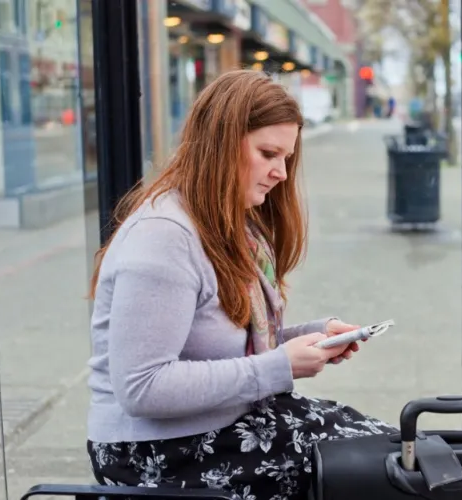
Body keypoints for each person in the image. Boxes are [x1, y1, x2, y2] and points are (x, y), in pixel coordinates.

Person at [85, 70, 396, 500]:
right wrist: (279, 366)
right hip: (157, 452)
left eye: (286, 157)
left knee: (392, 453)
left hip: (223, 425)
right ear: (219, 144)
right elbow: (142, 387)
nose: (282, 173)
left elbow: (225, 343)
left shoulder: (228, 222)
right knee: (374, 475)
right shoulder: (163, 237)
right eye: (269, 153)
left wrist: (311, 337)